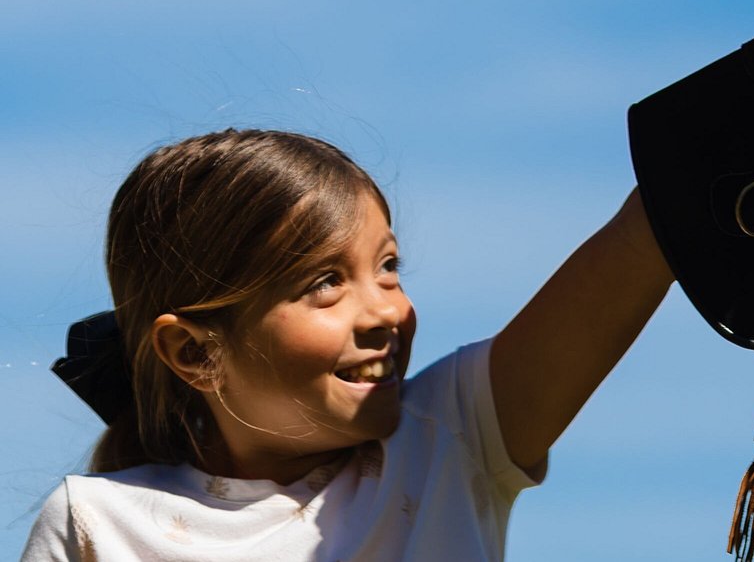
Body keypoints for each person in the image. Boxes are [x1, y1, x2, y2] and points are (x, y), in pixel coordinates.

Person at [21, 128, 673, 561]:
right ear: (195, 354)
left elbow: (652, 228)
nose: (386, 310)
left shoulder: (451, 436)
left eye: (388, 266)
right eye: (325, 283)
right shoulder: (97, 524)